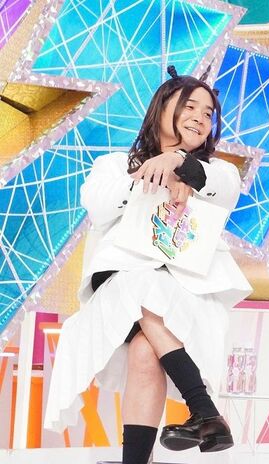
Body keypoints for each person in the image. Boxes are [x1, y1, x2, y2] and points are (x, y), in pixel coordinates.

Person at [44, 66, 252, 464]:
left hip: (187, 296)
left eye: (208, 113)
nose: (200, 117)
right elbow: (98, 207)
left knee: (145, 350)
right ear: (161, 109)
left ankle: (145, 454)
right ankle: (204, 411)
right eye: (189, 106)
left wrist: (179, 161)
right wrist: (149, 174)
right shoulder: (113, 165)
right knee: (136, 285)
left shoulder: (218, 172)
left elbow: (224, 191)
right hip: (120, 299)